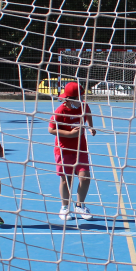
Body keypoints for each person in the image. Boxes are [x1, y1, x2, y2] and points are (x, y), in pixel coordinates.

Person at [48, 81, 96, 221]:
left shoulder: (83, 106)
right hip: (64, 150)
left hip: (80, 149)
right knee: (66, 180)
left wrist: (90, 126)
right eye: (78, 97)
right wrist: (69, 134)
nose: (81, 100)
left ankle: (80, 205)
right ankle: (64, 207)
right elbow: (51, 129)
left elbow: (88, 113)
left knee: (85, 177)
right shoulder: (60, 111)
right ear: (69, 98)